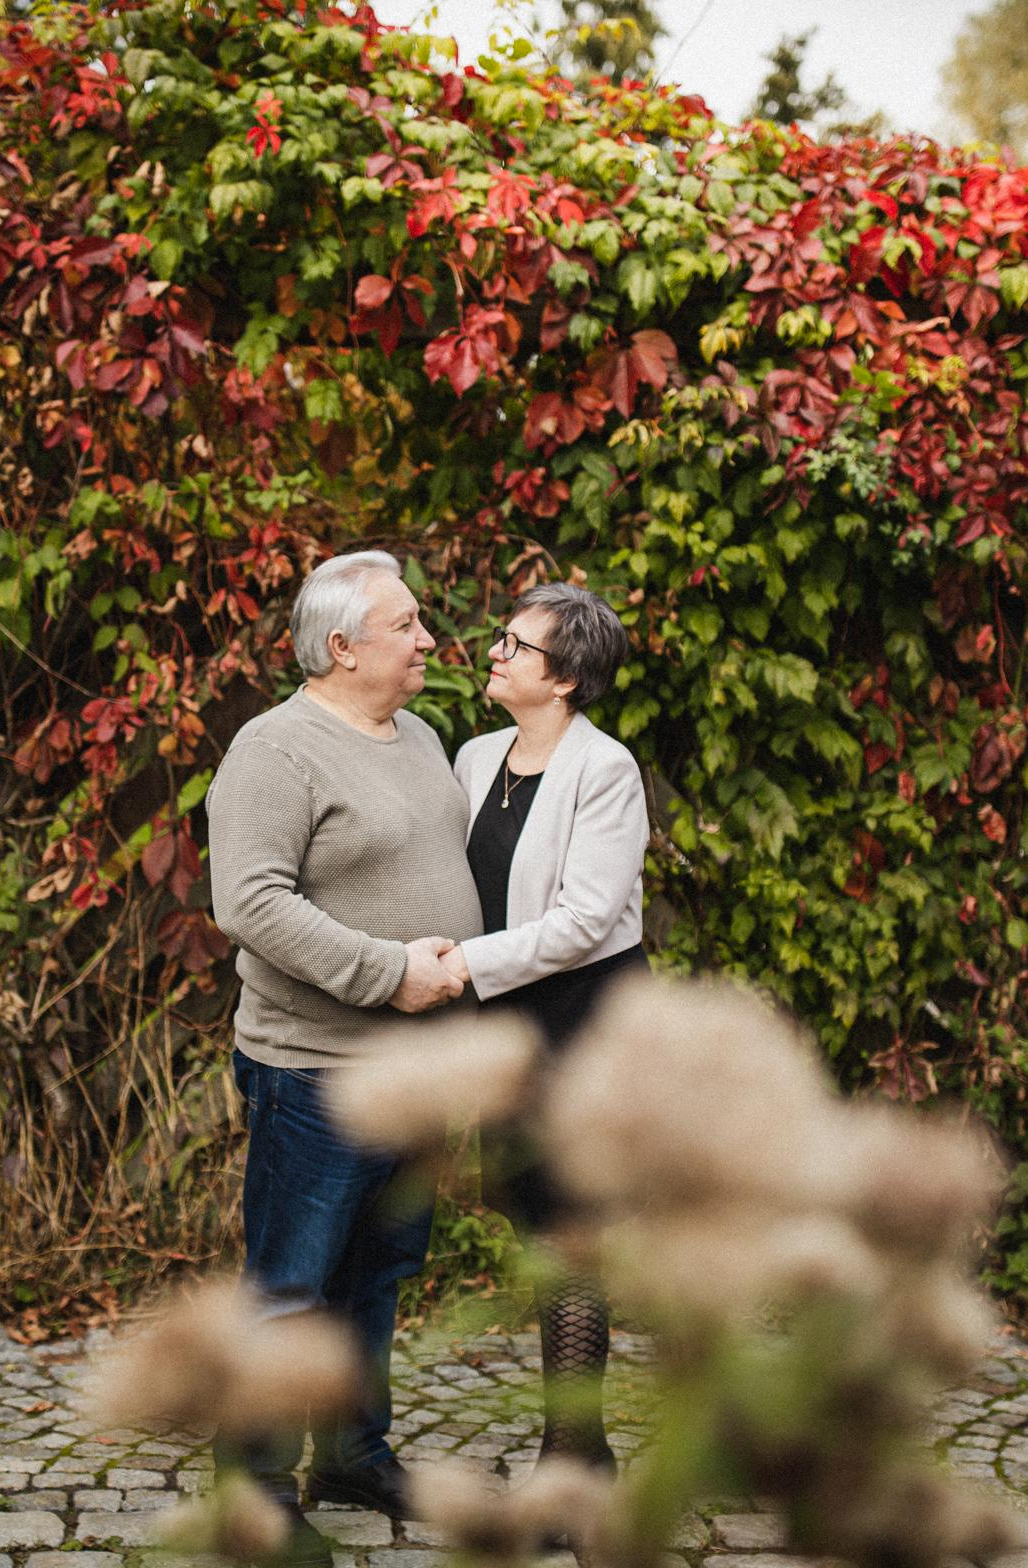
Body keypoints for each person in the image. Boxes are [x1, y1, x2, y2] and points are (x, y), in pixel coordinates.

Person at [205, 549, 480, 1560]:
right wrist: (387, 973)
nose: (426, 640)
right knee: (294, 1282)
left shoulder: (421, 736)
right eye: (405, 625)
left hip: (415, 1070)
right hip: (316, 1067)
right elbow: (251, 904)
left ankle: (355, 1452)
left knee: (379, 1270)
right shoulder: (275, 751)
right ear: (341, 645)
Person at [443, 581, 648, 1475]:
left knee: (573, 1233)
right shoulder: (475, 755)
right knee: (536, 1224)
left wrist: (464, 967)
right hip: (507, 1021)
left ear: (564, 679)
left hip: (583, 1020)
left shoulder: (606, 770)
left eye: (515, 645)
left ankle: (574, 1455)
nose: (495, 651)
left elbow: (586, 921)